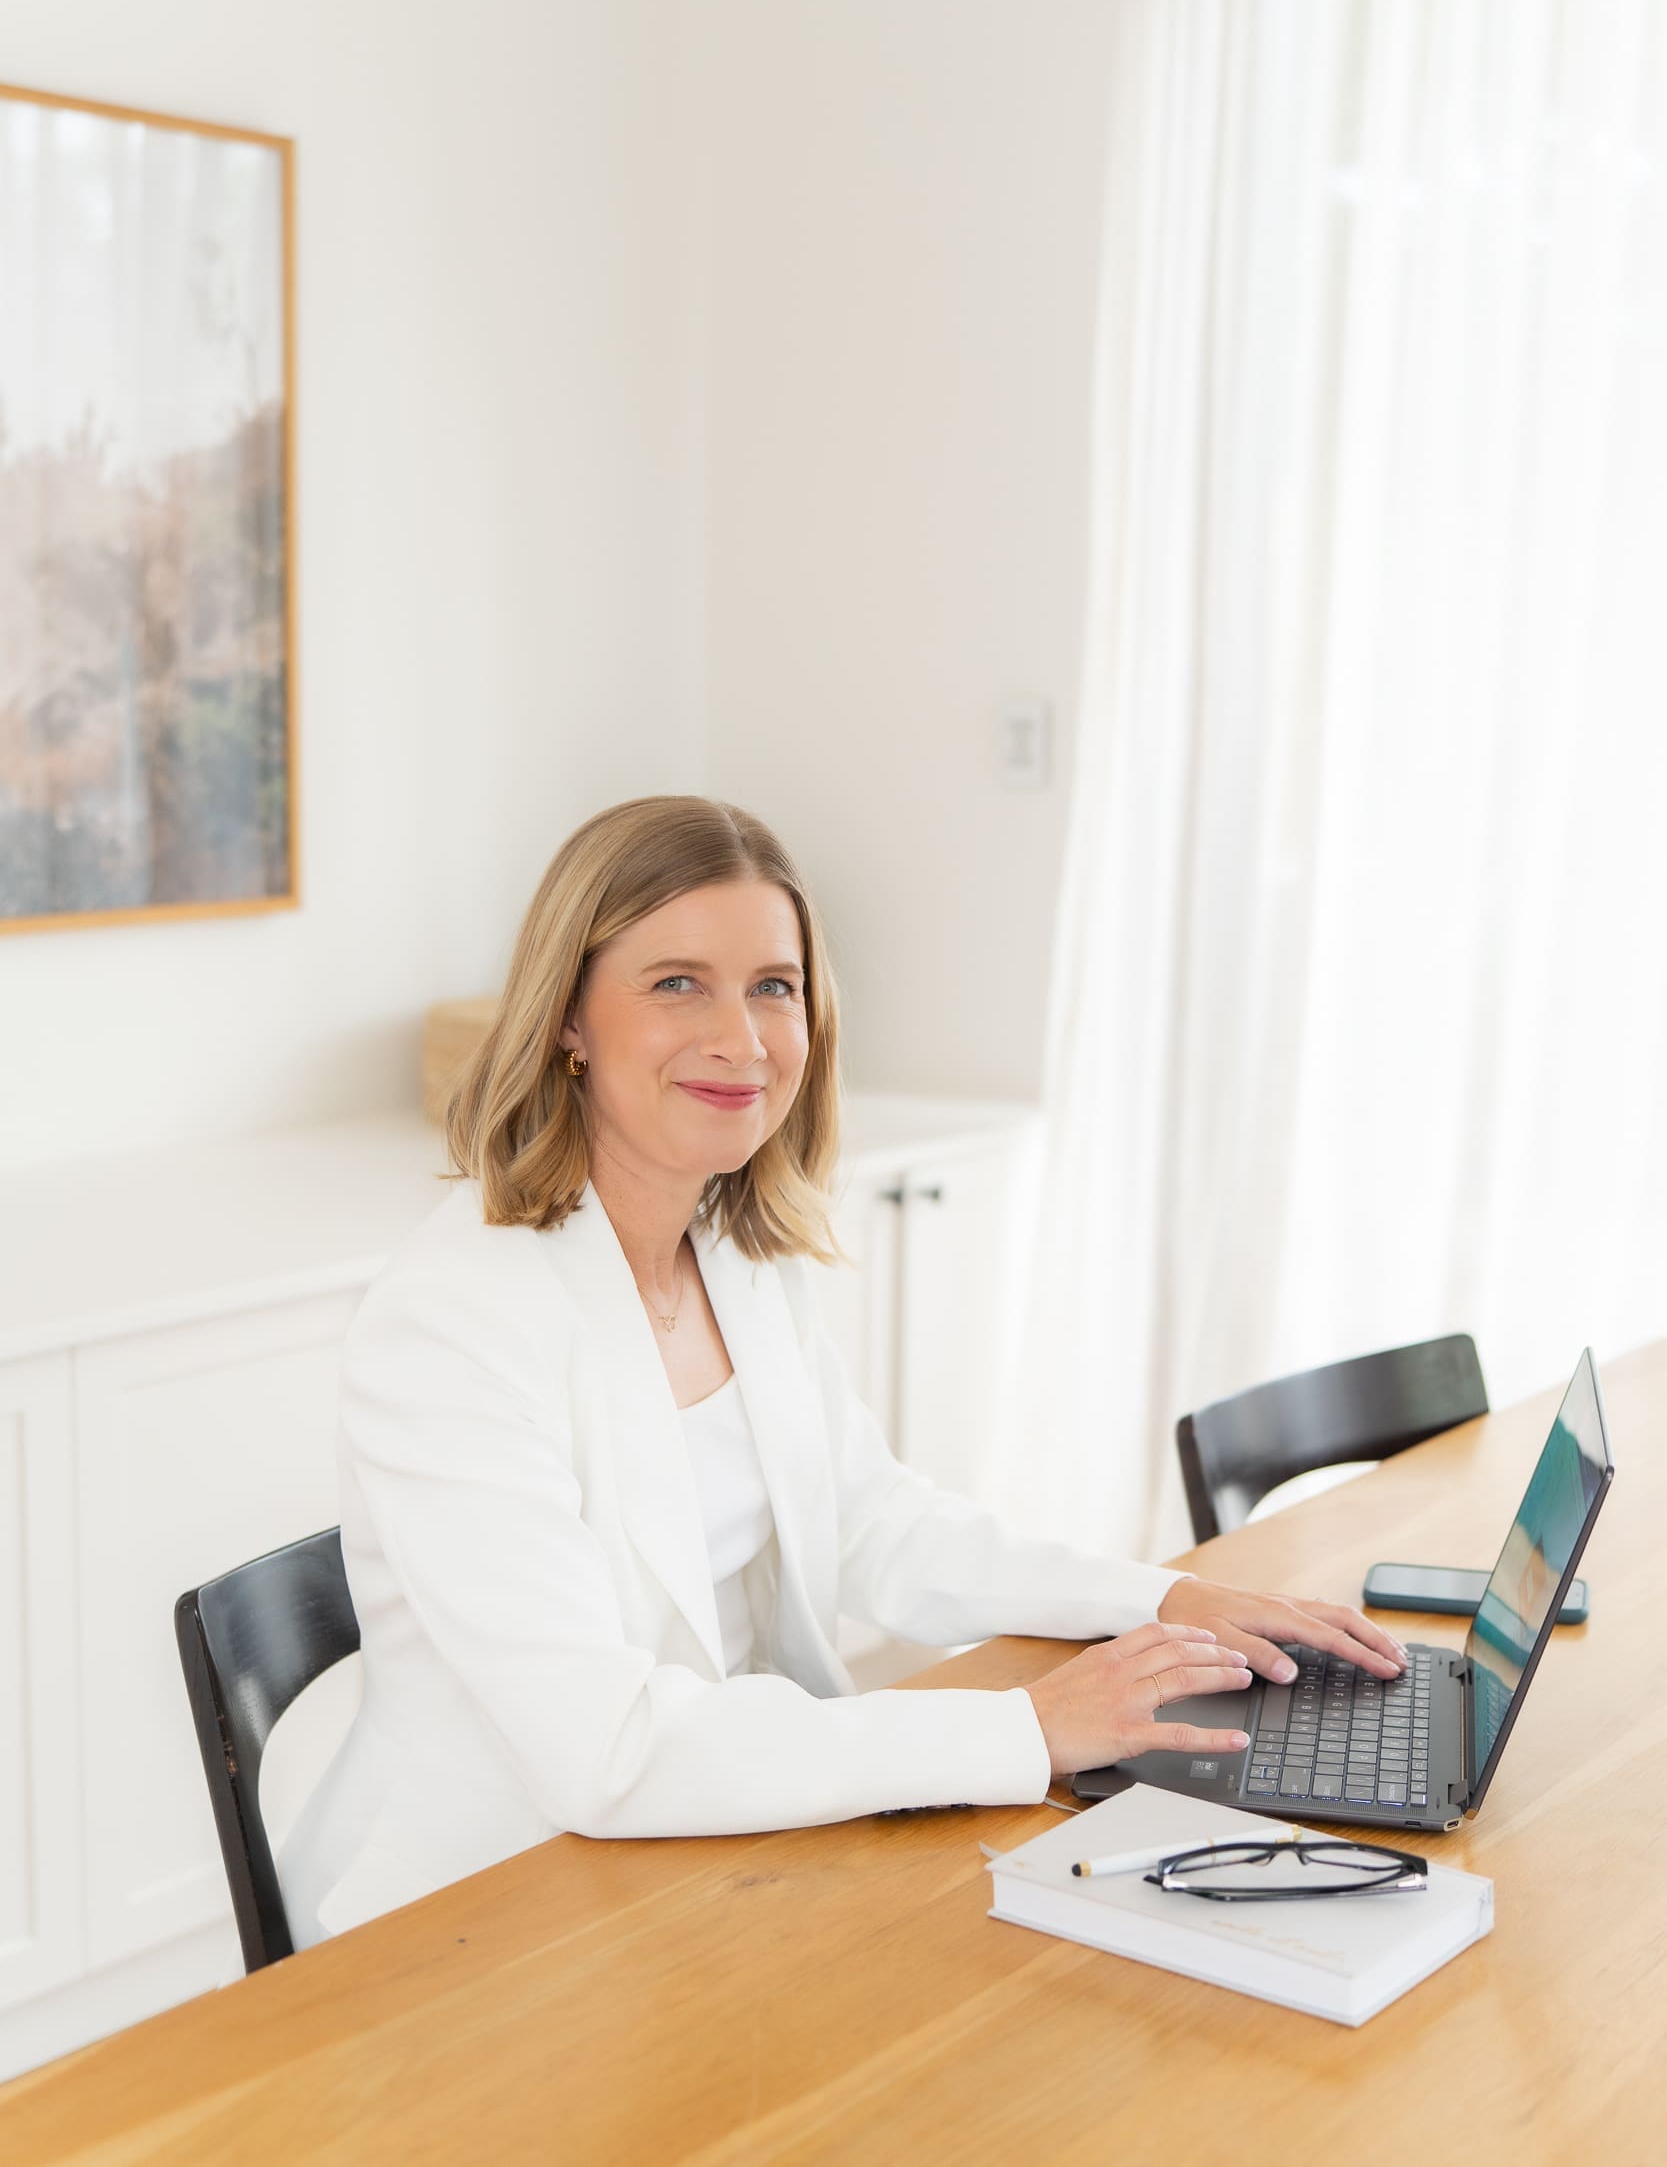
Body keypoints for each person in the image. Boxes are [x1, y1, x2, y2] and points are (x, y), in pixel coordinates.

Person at [278, 795, 1405, 1947]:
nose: (744, 1037)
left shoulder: (727, 1250)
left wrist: (1159, 1602)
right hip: (488, 1915)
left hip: (704, 1852)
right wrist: (1022, 1727)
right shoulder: (451, 1322)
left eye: (773, 985)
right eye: (677, 983)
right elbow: (605, 1752)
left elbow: (872, 1523)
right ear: (568, 1015)